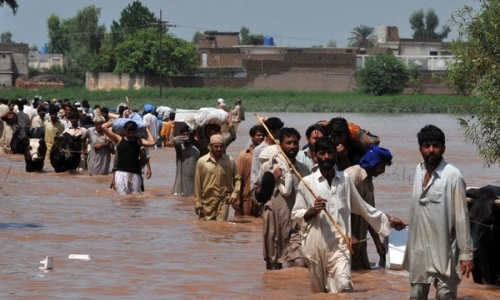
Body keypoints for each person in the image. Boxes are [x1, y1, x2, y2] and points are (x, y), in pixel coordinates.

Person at [291, 137, 406, 293]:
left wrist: (389, 220)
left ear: (335, 155)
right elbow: (296, 215)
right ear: (314, 156)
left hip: (340, 246)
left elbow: (363, 207)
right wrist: (312, 210)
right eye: (322, 153)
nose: (326, 157)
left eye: (329, 153)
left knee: (344, 285)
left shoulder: (344, 180)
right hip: (315, 247)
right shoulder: (307, 182)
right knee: (319, 292)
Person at [403, 125, 474, 300]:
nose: (431, 150)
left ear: (443, 148)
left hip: (444, 251)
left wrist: (466, 254)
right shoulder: (418, 170)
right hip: (419, 250)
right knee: (416, 295)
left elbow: (461, 218)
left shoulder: (453, 176)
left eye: (436, 145)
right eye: (426, 145)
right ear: (420, 148)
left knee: (445, 296)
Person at [253, 127, 310, 270]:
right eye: (288, 143)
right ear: (280, 145)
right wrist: (271, 178)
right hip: (274, 221)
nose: (292, 146)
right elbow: (256, 194)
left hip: (296, 224)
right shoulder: (268, 166)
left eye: (295, 143)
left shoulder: (303, 170)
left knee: (299, 262)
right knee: (274, 265)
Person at [345, 145, 393, 270]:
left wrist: (378, 244)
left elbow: (371, 215)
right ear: (374, 162)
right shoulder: (352, 176)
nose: (383, 171)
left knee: (362, 276)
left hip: (360, 242)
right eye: (382, 166)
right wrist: (350, 234)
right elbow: (341, 209)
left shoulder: (369, 182)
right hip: (348, 240)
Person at [194, 134, 241, 221]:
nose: (219, 149)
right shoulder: (202, 162)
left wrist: (235, 195)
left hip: (224, 199)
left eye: (221, 146)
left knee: (221, 227)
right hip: (207, 201)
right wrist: (198, 203)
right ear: (211, 146)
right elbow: (197, 184)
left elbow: (237, 179)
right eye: (216, 146)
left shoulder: (229, 161)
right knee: (207, 228)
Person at [102, 120, 156, 195]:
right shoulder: (119, 139)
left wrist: (147, 129)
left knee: (136, 197)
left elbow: (152, 142)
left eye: (133, 133)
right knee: (122, 197)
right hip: (120, 173)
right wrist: (114, 121)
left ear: (136, 132)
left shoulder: (138, 141)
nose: (131, 135)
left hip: (135, 173)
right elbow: (103, 127)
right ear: (124, 131)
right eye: (129, 133)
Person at [234, 125, 265, 217]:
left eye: (263, 135)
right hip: (247, 198)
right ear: (252, 137)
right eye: (258, 135)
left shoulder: (266, 155)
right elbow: (238, 178)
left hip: (262, 196)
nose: (261, 138)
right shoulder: (244, 156)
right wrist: (237, 198)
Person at [250, 117, 284, 189]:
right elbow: (255, 172)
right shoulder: (259, 149)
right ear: (271, 132)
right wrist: (254, 190)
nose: (280, 132)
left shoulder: (280, 147)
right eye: (278, 130)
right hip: (265, 187)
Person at [171, 125, 199, 196]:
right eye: (183, 135)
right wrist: (186, 138)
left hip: (192, 184)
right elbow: (174, 140)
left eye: (187, 135)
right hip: (180, 184)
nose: (186, 136)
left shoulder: (196, 149)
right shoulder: (179, 147)